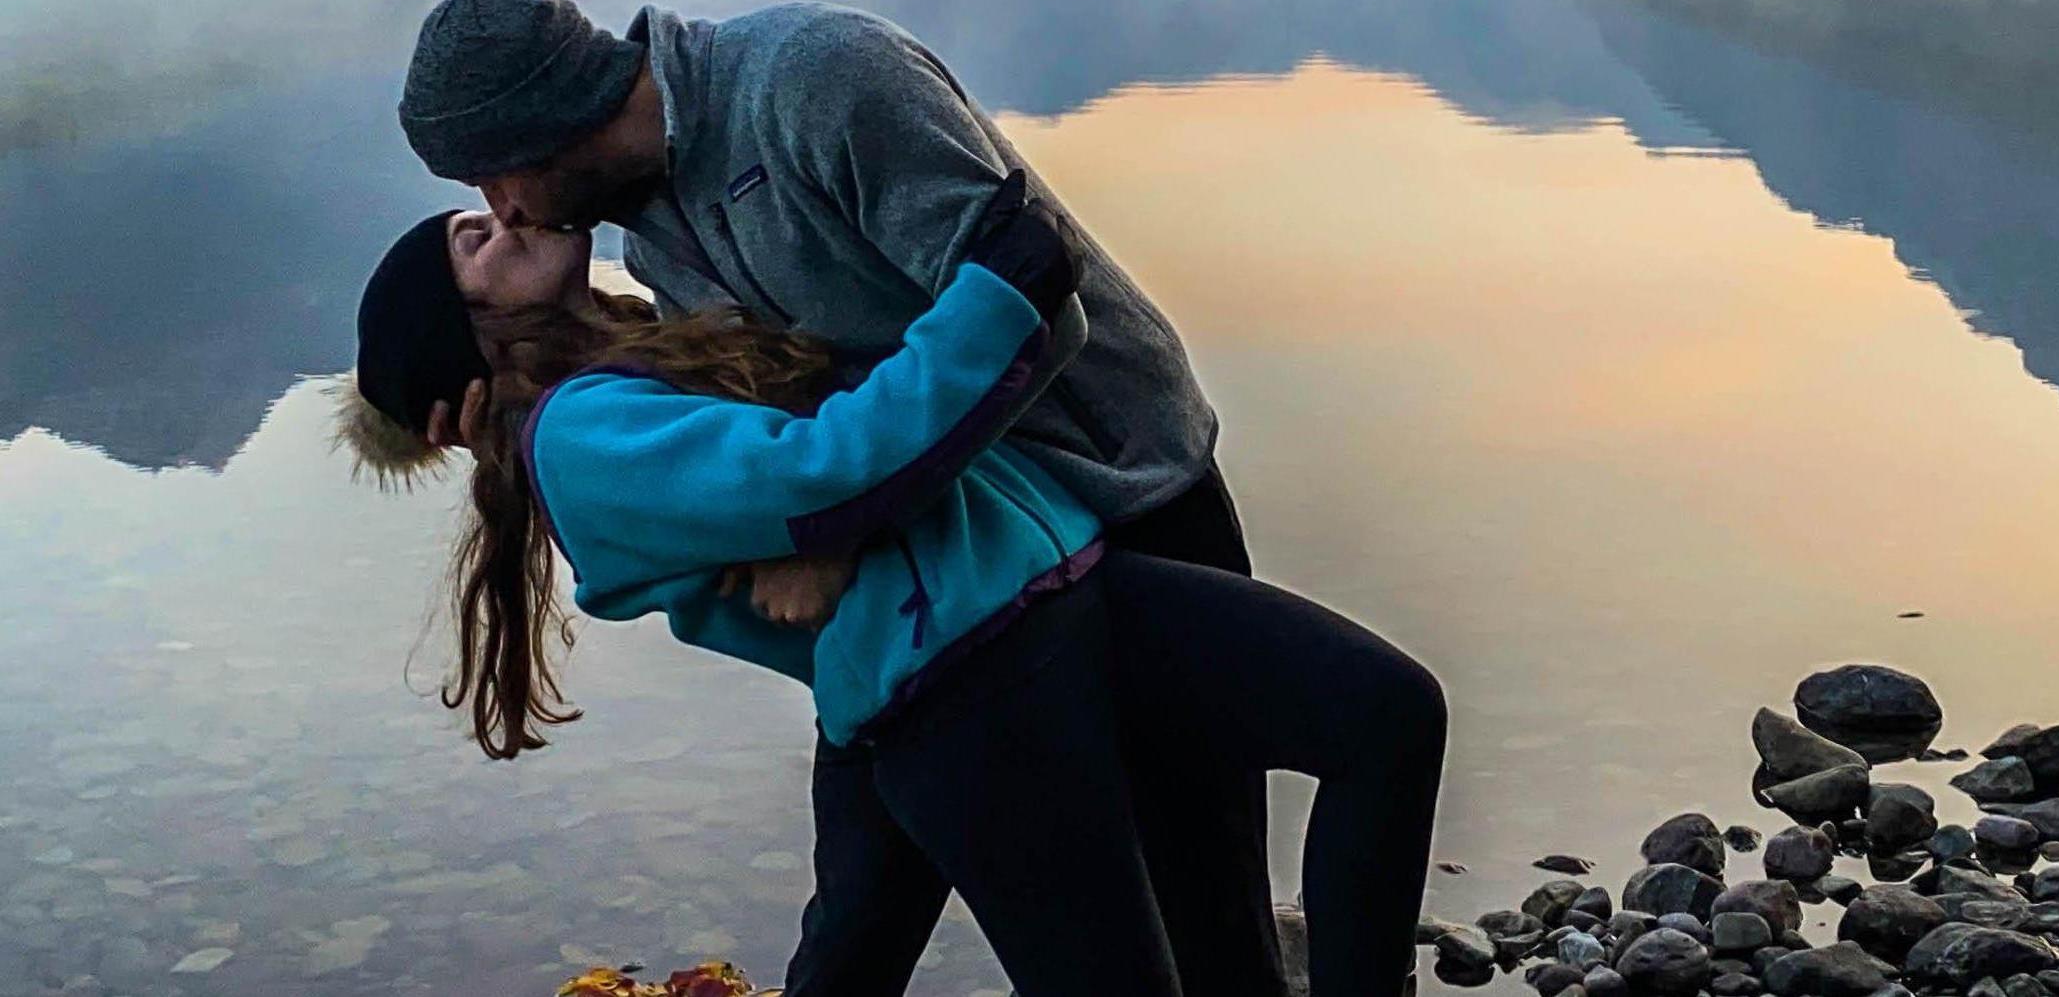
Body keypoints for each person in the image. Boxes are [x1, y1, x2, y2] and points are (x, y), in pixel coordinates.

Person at [394, 0, 1282, 995]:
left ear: (549, 127)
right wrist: (496, 402)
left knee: (1204, 880)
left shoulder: (819, 78)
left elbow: (1037, 297)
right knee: (876, 886)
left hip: (1124, 486)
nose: (501, 209)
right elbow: (780, 428)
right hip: (961, 563)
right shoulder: (654, 239)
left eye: (495, 178)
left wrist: (846, 524)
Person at [335, 201, 1447, 997]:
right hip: (963, 694)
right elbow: (828, 470)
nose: (500, 214)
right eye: (469, 242)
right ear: (467, 342)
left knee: (1386, 714)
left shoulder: (637, 351)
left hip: (1062, 594)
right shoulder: (581, 442)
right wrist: (999, 295)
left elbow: (831, 470)